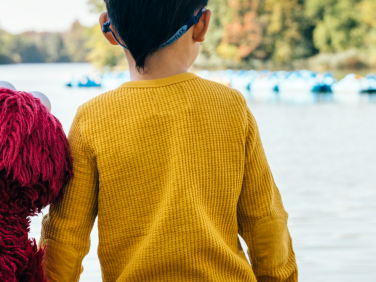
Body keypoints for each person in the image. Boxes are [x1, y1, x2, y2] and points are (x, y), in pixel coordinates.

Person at [39, 0, 298, 281]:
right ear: (202, 25)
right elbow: (265, 223)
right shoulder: (231, 107)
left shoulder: (92, 118)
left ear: (108, 28)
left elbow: (65, 237)